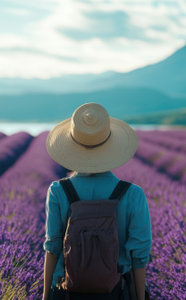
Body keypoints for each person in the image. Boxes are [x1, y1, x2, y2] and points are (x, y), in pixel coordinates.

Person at [43, 102, 152, 300]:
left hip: (69, 291)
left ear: (72, 146)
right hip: (117, 291)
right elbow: (139, 255)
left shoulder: (58, 191)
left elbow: (52, 247)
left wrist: (45, 296)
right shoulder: (133, 194)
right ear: (112, 146)